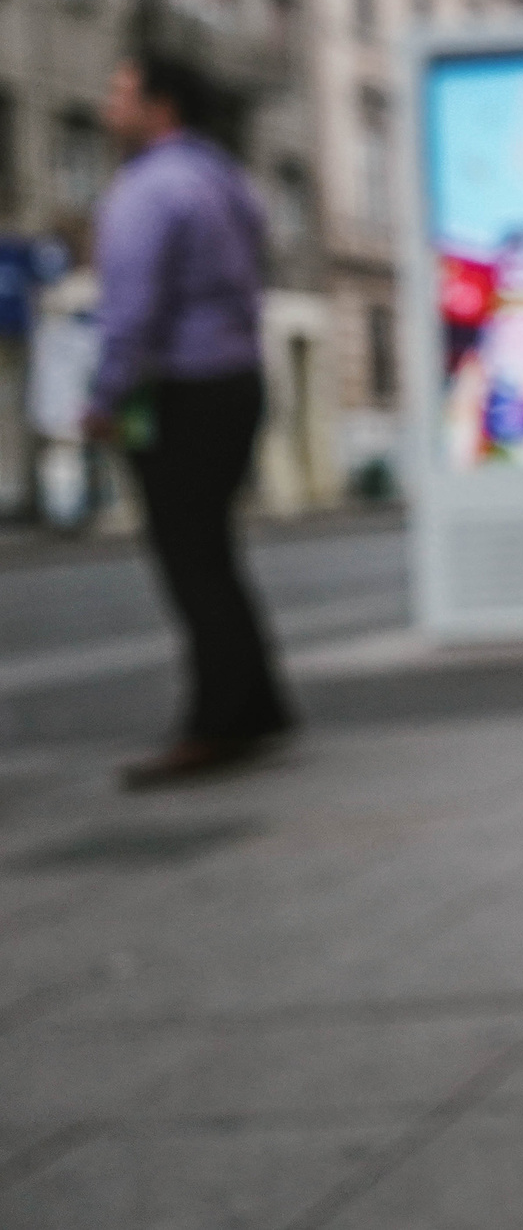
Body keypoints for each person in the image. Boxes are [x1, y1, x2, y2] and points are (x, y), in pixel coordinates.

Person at [84, 52, 297, 786]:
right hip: (236, 379)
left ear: (160, 106)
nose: (110, 107)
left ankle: (216, 725)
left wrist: (105, 394)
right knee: (214, 553)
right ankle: (257, 708)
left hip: (181, 388)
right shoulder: (225, 177)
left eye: (121, 93)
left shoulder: (149, 186)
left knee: (190, 558)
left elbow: (132, 306)